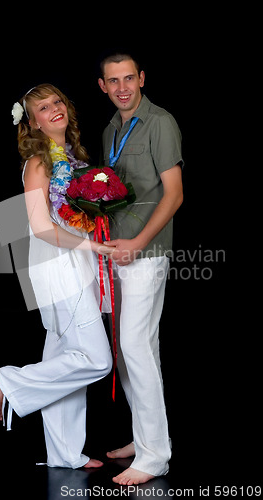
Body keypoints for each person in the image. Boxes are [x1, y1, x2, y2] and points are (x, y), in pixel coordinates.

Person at [0, 84, 114, 469]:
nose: (54, 109)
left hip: (76, 261)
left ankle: (64, 455)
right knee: (96, 360)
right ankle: (11, 381)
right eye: (43, 108)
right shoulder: (38, 162)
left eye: (57, 101)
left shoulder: (72, 156)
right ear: (33, 122)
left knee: (64, 353)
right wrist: (91, 247)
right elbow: (41, 226)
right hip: (59, 266)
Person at [98, 53, 184, 485]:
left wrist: (137, 243)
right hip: (116, 252)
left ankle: (154, 457)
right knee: (131, 351)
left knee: (133, 346)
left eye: (129, 78)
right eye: (113, 81)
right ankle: (144, 435)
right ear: (103, 86)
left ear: (142, 78)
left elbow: (174, 194)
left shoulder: (160, 123)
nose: (122, 87)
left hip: (145, 253)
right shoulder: (110, 129)